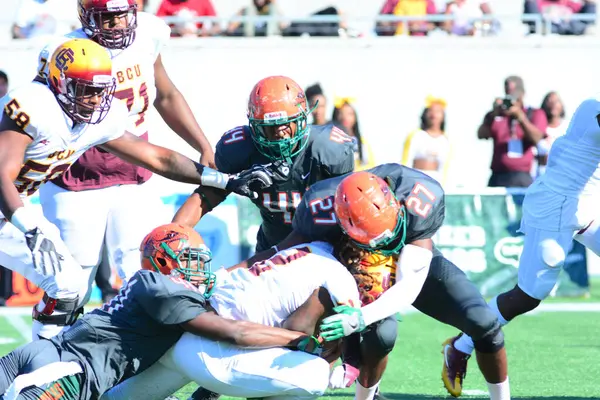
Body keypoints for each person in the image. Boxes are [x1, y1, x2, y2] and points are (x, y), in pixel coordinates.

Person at [0, 38, 274, 341]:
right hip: (11, 209)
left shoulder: (96, 118)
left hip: (10, 210)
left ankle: (41, 365)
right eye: (85, 90)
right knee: (68, 284)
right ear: (58, 82)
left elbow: (157, 157)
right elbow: (1, 172)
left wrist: (222, 179)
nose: (93, 99)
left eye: (99, 90)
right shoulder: (33, 106)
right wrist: (29, 225)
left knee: (70, 286)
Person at [241, 164, 510, 400]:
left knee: (484, 322)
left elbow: (409, 287)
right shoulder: (319, 210)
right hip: (354, 269)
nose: (383, 241)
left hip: (408, 255)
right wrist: (232, 273)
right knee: (382, 335)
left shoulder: (419, 195)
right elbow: (280, 253)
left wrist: (359, 318)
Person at [35, 0, 216, 314]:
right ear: (87, 16)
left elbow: (166, 94)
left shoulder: (148, 33)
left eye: (123, 14)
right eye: (108, 17)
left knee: (147, 269)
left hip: (135, 172)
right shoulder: (66, 51)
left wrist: (204, 145)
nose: (118, 23)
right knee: (71, 283)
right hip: (76, 178)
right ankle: (51, 352)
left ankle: (142, 354)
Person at [0, 223, 321, 400]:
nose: (201, 272)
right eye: (194, 262)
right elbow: (234, 333)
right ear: (166, 262)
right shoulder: (163, 290)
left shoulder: (150, 284)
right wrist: (293, 338)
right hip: (69, 373)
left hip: (43, 353)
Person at [444, 93, 600, 394]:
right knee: (529, 295)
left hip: (588, 207)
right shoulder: (591, 111)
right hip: (554, 207)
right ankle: (460, 346)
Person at [102, 231, 364, 400]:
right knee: (315, 373)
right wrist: (341, 358)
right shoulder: (338, 275)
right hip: (215, 346)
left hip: (181, 338)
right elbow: (250, 333)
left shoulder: (308, 247)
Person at [173, 75, 355, 254]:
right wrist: (172, 237)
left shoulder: (327, 148)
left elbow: (352, 210)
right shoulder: (241, 149)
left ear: (301, 119)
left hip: (325, 249)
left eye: (285, 124)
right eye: (269, 126)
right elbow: (205, 197)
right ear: (254, 125)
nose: (279, 133)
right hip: (272, 251)